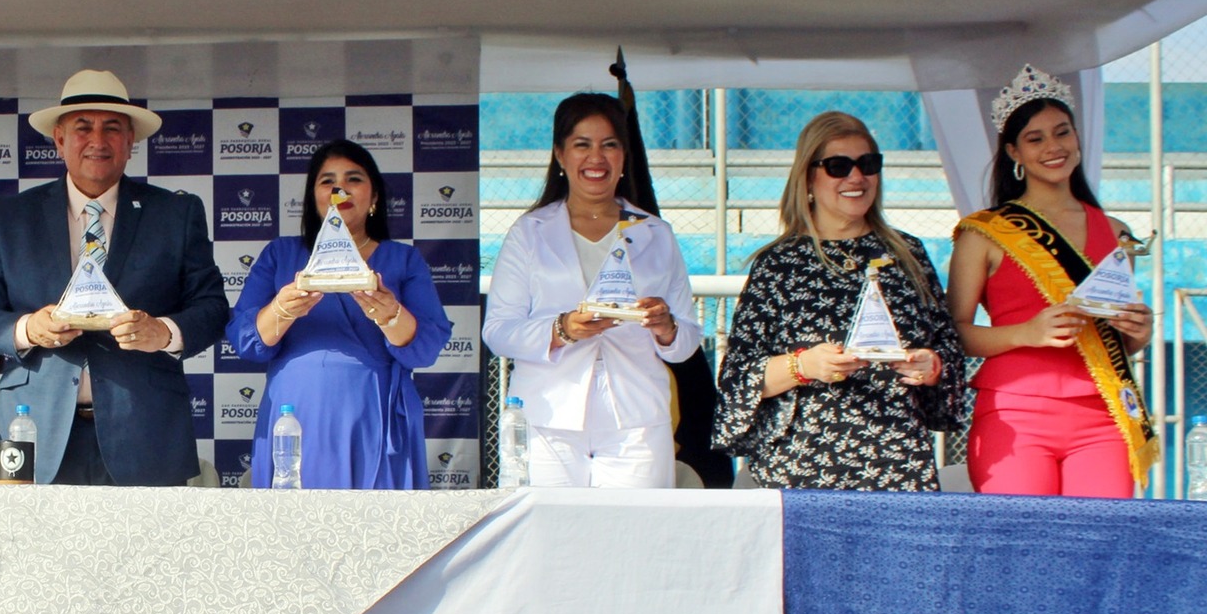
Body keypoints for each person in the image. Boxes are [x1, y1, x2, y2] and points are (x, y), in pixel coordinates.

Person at [0, 69, 229, 485]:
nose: (98, 141)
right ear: (59, 139)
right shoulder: (11, 216)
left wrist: (162, 332)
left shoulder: (176, 214)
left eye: (112, 128)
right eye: (83, 127)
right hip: (33, 430)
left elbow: (212, 308)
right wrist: (29, 328)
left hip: (146, 433)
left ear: (130, 140)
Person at [713, 112, 965, 489]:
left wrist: (932, 367)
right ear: (808, 178)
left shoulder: (908, 254)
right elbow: (738, 379)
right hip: (801, 465)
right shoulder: (779, 264)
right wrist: (804, 365)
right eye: (838, 166)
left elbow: (949, 351)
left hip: (898, 462)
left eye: (868, 164)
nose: (856, 177)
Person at [947, 65, 1155, 496]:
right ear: (1014, 152)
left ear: (1078, 138)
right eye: (1035, 138)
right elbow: (953, 334)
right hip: (1015, 412)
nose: (1053, 147)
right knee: (1021, 534)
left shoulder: (1116, 232)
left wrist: (1137, 334)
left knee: (1099, 534)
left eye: (1062, 133)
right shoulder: (983, 232)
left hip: (1103, 414)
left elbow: (1113, 337)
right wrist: (1028, 333)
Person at [483, 92, 699, 488]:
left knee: (633, 525)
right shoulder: (529, 232)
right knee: (548, 524)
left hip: (636, 421)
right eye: (582, 145)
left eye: (609, 145)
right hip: (547, 418)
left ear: (624, 155)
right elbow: (498, 331)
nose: (596, 158)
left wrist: (665, 327)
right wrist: (562, 329)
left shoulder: (656, 233)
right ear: (560, 155)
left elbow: (686, 341)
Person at [224, 140, 450, 488]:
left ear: (374, 197)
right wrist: (283, 309)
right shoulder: (281, 255)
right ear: (313, 197)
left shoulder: (403, 260)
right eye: (327, 181)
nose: (339, 189)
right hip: (296, 415)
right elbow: (247, 342)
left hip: (373, 413)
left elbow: (426, 348)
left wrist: (390, 315)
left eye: (353, 179)